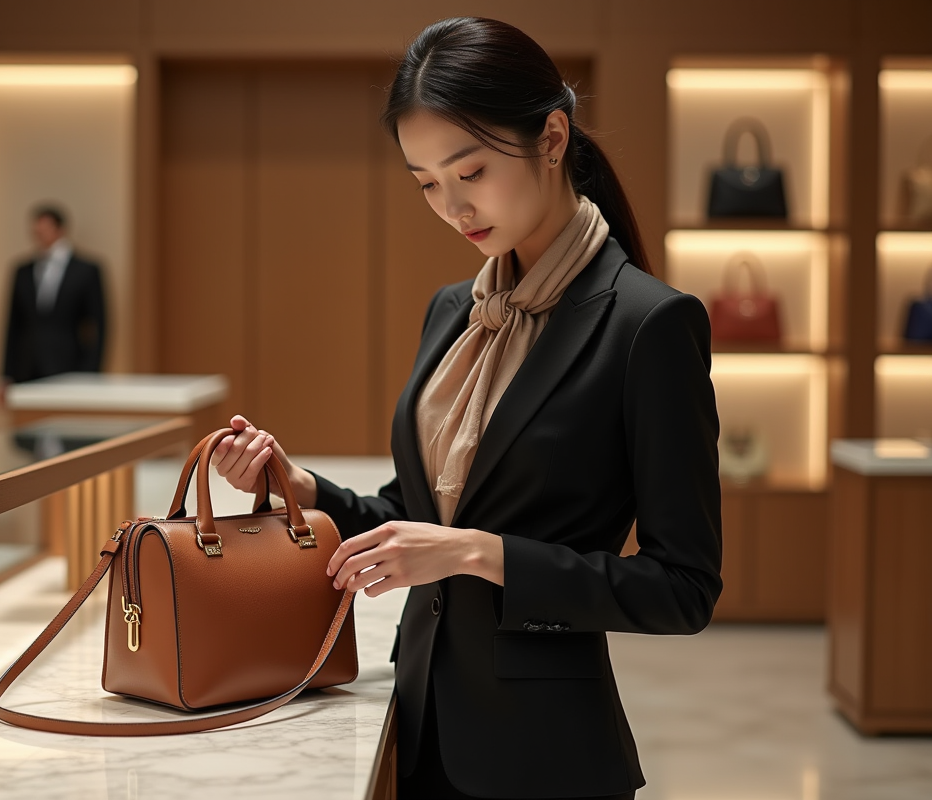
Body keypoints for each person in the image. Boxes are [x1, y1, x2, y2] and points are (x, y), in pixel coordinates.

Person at [210, 17, 721, 800]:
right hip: (417, 734)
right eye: (425, 183)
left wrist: (483, 554)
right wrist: (302, 489)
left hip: (546, 762)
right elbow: (415, 514)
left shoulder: (649, 325)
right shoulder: (454, 311)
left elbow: (682, 588)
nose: (452, 207)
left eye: (470, 171)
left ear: (552, 138)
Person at [1, 205, 106, 386]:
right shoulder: (23, 271)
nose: (40, 234)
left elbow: (99, 324)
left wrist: (91, 371)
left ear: (60, 230)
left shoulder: (85, 270)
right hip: (26, 367)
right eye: (36, 230)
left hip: (69, 364)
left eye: (45, 228)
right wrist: (5, 373)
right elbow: (13, 324)